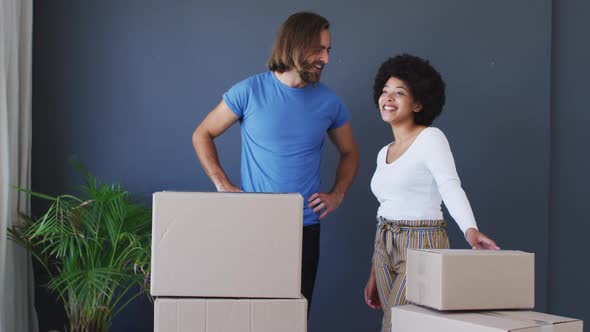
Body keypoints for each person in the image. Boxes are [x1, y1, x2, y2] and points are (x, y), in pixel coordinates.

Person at [192, 12, 359, 312]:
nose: (326, 59)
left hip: (304, 228)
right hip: (254, 223)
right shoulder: (248, 91)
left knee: (295, 317)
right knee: (251, 316)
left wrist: (337, 194)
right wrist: (222, 184)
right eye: (320, 49)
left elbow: (350, 152)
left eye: (328, 50)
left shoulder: (329, 101)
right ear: (296, 45)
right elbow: (202, 134)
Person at [363, 54, 499, 332]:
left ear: (418, 103)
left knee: (399, 326)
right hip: (384, 242)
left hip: (421, 241)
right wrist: (374, 270)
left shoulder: (430, 138)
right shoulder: (383, 153)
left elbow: (450, 186)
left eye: (399, 93)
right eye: (385, 91)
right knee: (391, 324)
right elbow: (385, 208)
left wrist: (470, 230)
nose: (388, 98)